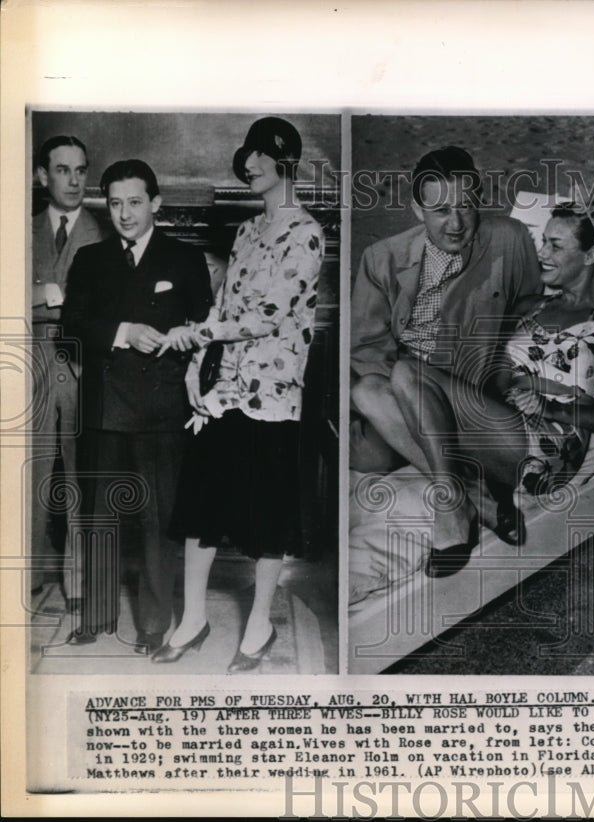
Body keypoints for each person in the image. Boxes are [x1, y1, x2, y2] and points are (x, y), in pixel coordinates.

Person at [389, 198, 594, 576]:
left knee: (404, 374)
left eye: (555, 245)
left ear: (591, 254)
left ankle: (454, 503)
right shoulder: (528, 306)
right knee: (369, 390)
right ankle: (476, 498)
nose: (542, 253)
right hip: (501, 425)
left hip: (549, 446)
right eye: (542, 241)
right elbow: (490, 379)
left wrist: (552, 408)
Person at [152, 117, 323, 672]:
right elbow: (223, 310)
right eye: (244, 156)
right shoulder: (246, 232)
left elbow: (266, 317)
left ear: (284, 162)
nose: (246, 165)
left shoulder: (308, 234)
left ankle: (258, 626)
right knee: (200, 508)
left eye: (257, 156)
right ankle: (194, 619)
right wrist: (193, 370)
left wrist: (202, 335)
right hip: (226, 391)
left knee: (267, 518)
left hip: (274, 397)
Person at [61, 159, 213, 651]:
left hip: (162, 408)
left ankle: (152, 624)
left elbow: (207, 330)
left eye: (134, 202)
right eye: (116, 203)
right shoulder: (90, 258)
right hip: (104, 405)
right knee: (99, 516)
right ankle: (97, 614)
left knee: (156, 521)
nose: (125, 213)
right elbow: (73, 325)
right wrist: (125, 332)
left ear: (156, 204)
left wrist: (184, 352)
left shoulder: (184, 259)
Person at [350, 146, 541, 475]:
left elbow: (532, 316)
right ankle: (468, 491)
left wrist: (517, 382)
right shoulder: (380, 258)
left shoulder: (509, 239)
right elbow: (366, 349)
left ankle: (454, 479)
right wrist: (409, 408)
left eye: (465, 206)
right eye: (440, 210)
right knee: (366, 452)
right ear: (417, 209)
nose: (456, 223)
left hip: (470, 393)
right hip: (407, 393)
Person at [29, 135, 106, 608]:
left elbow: (97, 305)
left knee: (83, 473)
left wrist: (37, 292)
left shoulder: (105, 230)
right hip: (31, 363)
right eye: (62, 170)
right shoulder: (19, 228)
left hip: (82, 363)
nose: (74, 180)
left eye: (81, 170)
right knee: (29, 471)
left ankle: (78, 578)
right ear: (42, 176)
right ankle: (30, 573)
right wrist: (56, 292)